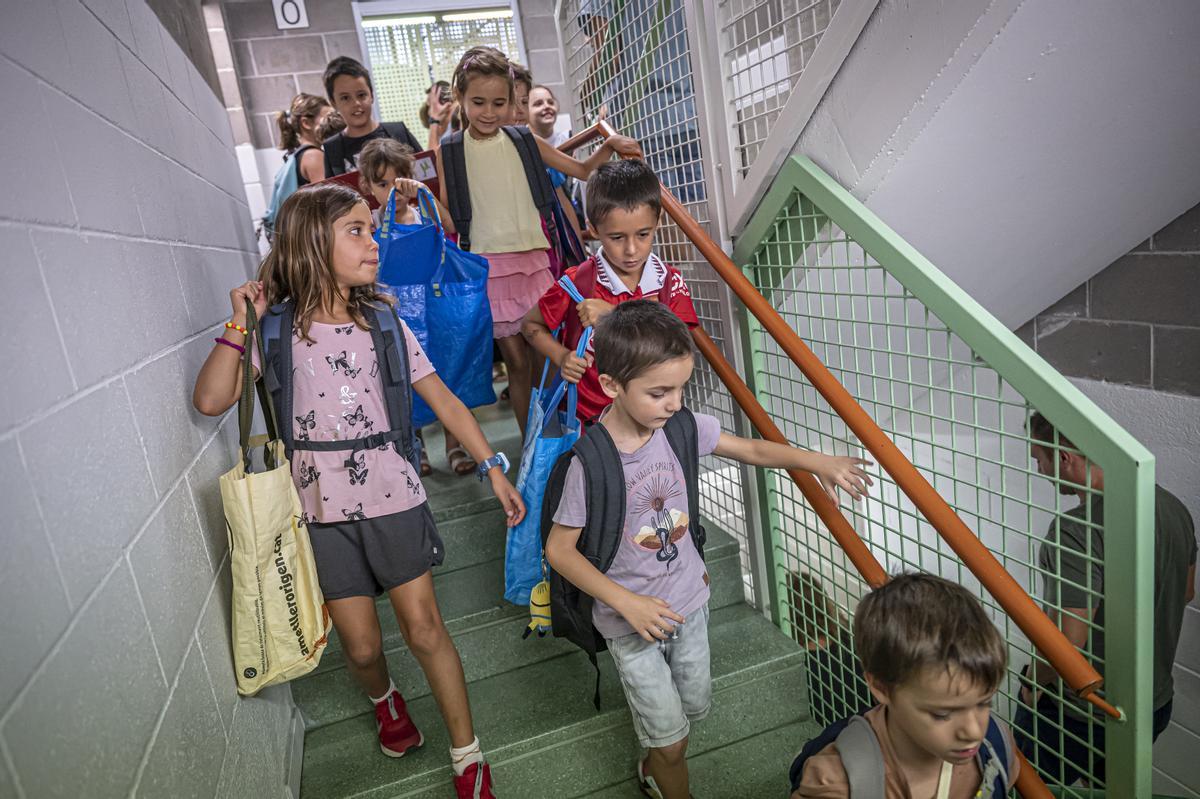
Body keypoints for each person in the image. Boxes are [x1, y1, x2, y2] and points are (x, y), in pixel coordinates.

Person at [192, 183, 522, 798]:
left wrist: (492, 466)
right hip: (318, 512)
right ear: (313, 242)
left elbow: (443, 399)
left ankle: (467, 755)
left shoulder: (384, 320)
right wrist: (242, 319)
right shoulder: (274, 332)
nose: (374, 243)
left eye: (371, 229)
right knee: (363, 647)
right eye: (357, 230)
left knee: (424, 628)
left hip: (394, 496)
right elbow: (211, 399)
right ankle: (384, 697)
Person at [544, 301, 872, 799]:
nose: (675, 403)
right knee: (673, 740)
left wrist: (818, 461)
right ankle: (664, 767)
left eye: (680, 388)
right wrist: (627, 603)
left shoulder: (679, 427)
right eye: (659, 392)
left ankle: (656, 760)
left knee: (693, 706)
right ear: (611, 385)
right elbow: (560, 552)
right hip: (629, 623)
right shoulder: (588, 466)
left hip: (690, 604)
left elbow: (755, 450)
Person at [435, 45, 642, 439]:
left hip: (532, 261)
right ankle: (532, 445)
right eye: (478, 102)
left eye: (499, 102)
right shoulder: (450, 149)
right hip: (486, 266)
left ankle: (555, 436)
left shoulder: (523, 139)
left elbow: (580, 169)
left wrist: (609, 147)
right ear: (460, 98)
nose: (489, 111)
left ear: (513, 101)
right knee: (515, 361)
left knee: (542, 356)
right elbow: (448, 213)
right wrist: (424, 206)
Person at [1015, 411, 1196, 785]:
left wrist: (1032, 681)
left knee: (1021, 786)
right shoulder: (1174, 508)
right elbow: (1186, 592)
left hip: (1081, 716)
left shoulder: (1074, 532)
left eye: (1040, 459)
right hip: (1153, 705)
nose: (1041, 471)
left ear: (1065, 457)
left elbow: (1068, 643)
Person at [791, 573, 1021, 798]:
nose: (973, 732)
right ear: (881, 688)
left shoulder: (996, 746)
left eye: (984, 703)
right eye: (942, 714)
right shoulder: (836, 784)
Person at [522, 158, 697, 423]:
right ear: (593, 229)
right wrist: (562, 356)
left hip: (653, 422)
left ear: (658, 221)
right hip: (589, 421)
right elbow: (530, 325)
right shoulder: (577, 284)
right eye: (617, 238)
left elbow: (681, 343)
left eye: (643, 234)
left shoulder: (669, 282)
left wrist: (615, 315)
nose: (631, 250)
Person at [357, 137, 478, 478]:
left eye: (398, 182)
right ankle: (418, 444)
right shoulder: (373, 221)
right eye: (382, 184)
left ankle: (454, 445)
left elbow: (449, 227)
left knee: (446, 372)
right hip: (398, 310)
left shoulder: (423, 209)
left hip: (434, 308)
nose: (392, 192)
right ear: (368, 186)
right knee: (408, 378)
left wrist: (421, 191)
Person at [322, 56, 421, 176]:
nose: (356, 103)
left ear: (372, 96)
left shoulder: (398, 132)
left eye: (361, 95)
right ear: (333, 103)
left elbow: (427, 174)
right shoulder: (332, 149)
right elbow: (331, 193)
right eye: (345, 98)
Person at [276, 93, 332, 186]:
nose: (331, 122)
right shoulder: (313, 156)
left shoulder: (298, 155)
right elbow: (328, 197)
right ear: (306, 123)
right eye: (326, 119)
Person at [421, 80, 453, 150]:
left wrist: (434, 120)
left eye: (431, 102)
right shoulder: (440, 128)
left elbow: (433, 158)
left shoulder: (455, 122)